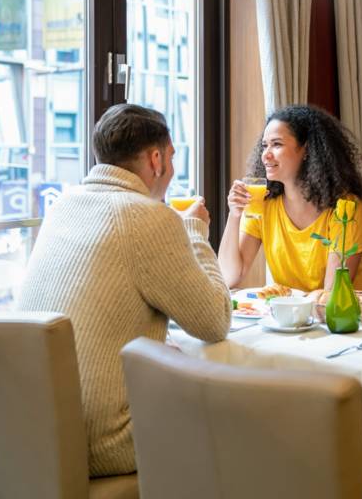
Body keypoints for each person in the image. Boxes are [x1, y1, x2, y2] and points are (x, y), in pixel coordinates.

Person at [17, 103, 231, 477]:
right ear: (156, 160)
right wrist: (195, 232)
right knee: (234, 409)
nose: (171, 169)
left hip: (37, 431)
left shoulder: (63, 205)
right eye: (171, 157)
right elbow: (215, 322)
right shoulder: (148, 217)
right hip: (103, 442)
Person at [218, 104, 362, 302]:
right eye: (264, 145)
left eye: (276, 144)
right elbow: (228, 277)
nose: (266, 155)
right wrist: (234, 215)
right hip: (303, 314)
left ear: (306, 150)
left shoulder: (345, 207)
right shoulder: (263, 204)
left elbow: (331, 296)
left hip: (361, 313)